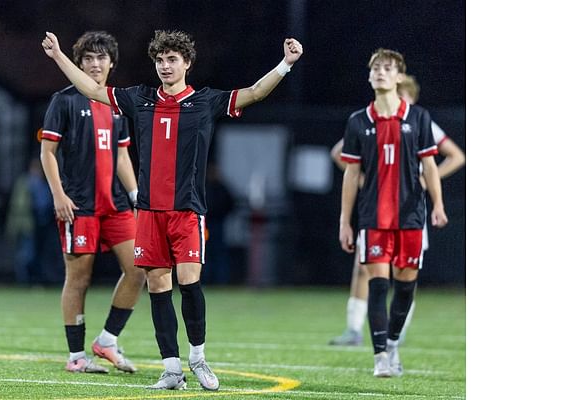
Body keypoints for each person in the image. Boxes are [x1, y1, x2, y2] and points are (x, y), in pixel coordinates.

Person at [42, 29, 303, 390]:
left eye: (172, 60)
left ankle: (198, 358)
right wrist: (58, 56)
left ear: (187, 63)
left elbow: (255, 92)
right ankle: (171, 369)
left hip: (187, 211)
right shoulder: (140, 99)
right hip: (149, 213)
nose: (165, 66)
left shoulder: (206, 101)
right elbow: (92, 90)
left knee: (190, 284)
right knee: (158, 287)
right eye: (160, 60)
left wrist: (286, 64)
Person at [328, 74, 465, 347]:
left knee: (404, 270)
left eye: (402, 96)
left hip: (409, 207)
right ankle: (354, 329)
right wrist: (366, 182)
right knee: (363, 267)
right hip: (376, 206)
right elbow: (338, 152)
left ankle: (397, 332)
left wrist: (427, 180)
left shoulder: (419, 121)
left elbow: (457, 156)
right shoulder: (371, 119)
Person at [39, 31, 146, 374]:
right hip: (79, 204)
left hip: (115, 204)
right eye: (88, 58)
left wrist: (135, 196)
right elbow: (48, 152)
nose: (95, 64)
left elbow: (122, 156)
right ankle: (76, 357)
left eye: (101, 58)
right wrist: (58, 193)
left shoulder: (117, 105)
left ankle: (107, 341)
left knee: (139, 267)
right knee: (79, 278)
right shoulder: (64, 100)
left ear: (112, 64)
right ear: (79, 62)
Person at [338, 48, 448, 377]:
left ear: (399, 76)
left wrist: (438, 205)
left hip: (411, 216)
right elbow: (351, 174)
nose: (381, 73)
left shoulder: (418, 118)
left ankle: (394, 342)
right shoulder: (358, 121)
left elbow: (429, 165)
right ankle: (380, 357)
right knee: (378, 286)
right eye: (376, 68)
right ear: (369, 77)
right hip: (373, 218)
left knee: (405, 287)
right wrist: (345, 220)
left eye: (388, 68)